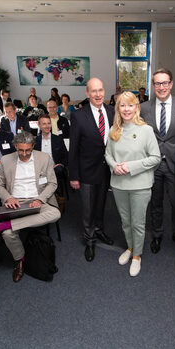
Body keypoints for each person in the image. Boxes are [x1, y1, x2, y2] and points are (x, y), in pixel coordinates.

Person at [0, 132, 61, 282]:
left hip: (38, 199)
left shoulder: (44, 158)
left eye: (28, 150)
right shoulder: (6, 160)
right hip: (16, 202)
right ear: (15, 147)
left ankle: (1, 226)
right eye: (20, 150)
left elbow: (52, 183)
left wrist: (40, 199)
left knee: (55, 214)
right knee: (8, 234)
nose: (24, 154)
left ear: (33, 146)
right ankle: (20, 261)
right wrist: (8, 197)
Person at [105, 92, 160, 277]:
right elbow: (108, 154)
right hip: (119, 184)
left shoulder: (146, 130)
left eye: (130, 105)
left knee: (137, 223)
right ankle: (130, 247)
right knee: (125, 221)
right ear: (118, 108)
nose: (126, 109)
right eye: (122, 105)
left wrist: (130, 166)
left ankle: (137, 256)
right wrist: (114, 166)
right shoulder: (114, 130)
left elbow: (155, 158)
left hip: (140, 185)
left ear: (136, 107)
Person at [141, 68, 175, 253]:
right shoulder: (144, 107)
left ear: (171, 84)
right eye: (157, 83)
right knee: (155, 202)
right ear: (153, 85)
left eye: (165, 83)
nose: (161, 87)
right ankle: (157, 234)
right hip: (153, 164)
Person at [68, 77, 115, 262]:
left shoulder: (112, 112)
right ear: (87, 94)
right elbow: (73, 149)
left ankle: (99, 230)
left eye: (100, 90)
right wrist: (74, 175)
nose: (98, 94)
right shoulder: (79, 116)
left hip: (106, 170)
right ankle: (89, 240)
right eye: (93, 91)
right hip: (86, 170)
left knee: (102, 204)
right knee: (88, 208)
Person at [35, 114, 68, 198]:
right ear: (39, 125)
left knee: (58, 170)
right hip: (40, 171)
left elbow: (65, 156)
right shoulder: (34, 141)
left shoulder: (58, 139)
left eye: (49, 123)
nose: (47, 126)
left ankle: (59, 199)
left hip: (55, 169)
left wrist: (60, 164)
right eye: (44, 124)